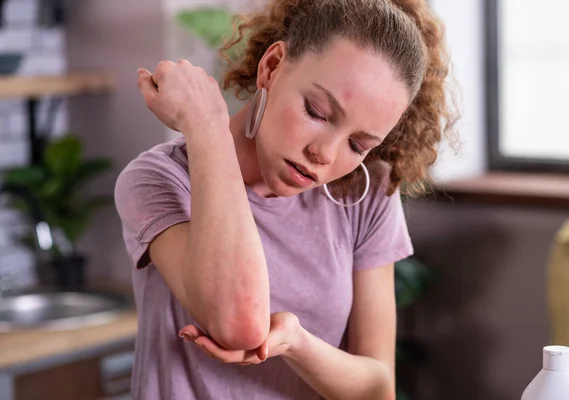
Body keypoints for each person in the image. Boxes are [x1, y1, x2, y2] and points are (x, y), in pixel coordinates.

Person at [114, 0, 455, 398]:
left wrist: (297, 343)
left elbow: (378, 389)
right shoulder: (160, 179)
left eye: (358, 144)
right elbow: (238, 323)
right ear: (272, 66)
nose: (324, 154)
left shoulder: (367, 195)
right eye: (316, 111)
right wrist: (206, 126)